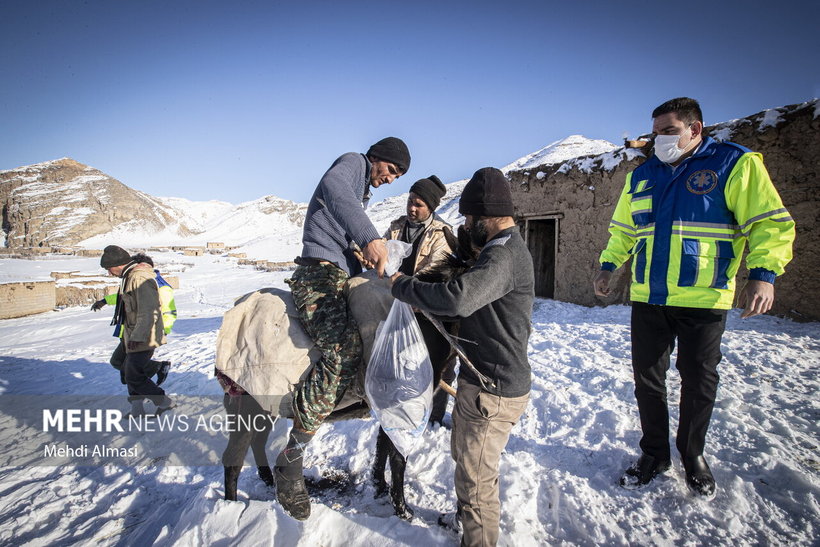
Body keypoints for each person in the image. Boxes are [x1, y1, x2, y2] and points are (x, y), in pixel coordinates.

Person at [593, 97, 795, 499]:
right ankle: (654, 454)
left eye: (669, 131)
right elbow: (624, 229)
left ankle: (693, 456)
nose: (661, 140)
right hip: (650, 296)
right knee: (647, 380)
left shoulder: (733, 163)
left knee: (699, 382)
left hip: (705, 297)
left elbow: (769, 223)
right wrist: (608, 264)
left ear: (695, 129)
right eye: (655, 134)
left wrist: (763, 274)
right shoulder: (644, 175)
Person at [391, 167, 533, 547]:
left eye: (470, 219)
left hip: (493, 388)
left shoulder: (502, 255)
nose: (466, 226)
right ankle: (463, 520)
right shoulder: (495, 250)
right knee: (467, 461)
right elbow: (463, 307)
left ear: (486, 217)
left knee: (476, 484)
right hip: (479, 381)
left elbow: (459, 298)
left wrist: (404, 287)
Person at [275, 136, 411, 520]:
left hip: (338, 275)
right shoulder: (352, 164)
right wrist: (369, 238)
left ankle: (333, 407)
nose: (390, 179)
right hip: (318, 275)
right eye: (391, 170)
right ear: (377, 159)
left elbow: (343, 223)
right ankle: (291, 461)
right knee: (343, 352)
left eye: (397, 176)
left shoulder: (362, 192)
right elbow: (334, 189)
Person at [382, 174, 456, 425]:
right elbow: (383, 253)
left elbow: (438, 270)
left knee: (436, 362)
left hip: (426, 307)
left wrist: (408, 286)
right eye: (410, 201)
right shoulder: (396, 226)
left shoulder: (441, 233)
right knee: (399, 359)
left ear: (431, 208)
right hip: (396, 303)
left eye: (419, 204)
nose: (412, 208)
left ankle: (434, 415)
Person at [98, 245, 173, 416]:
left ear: (117, 265)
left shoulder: (139, 279)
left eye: (109, 269)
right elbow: (124, 300)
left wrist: (138, 336)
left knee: (132, 375)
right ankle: (138, 406)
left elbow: (148, 310)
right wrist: (103, 301)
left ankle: (164, 402)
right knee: (122, 366)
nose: (109, 273)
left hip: (143, 335)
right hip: (131, 333)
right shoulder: (129, 277)